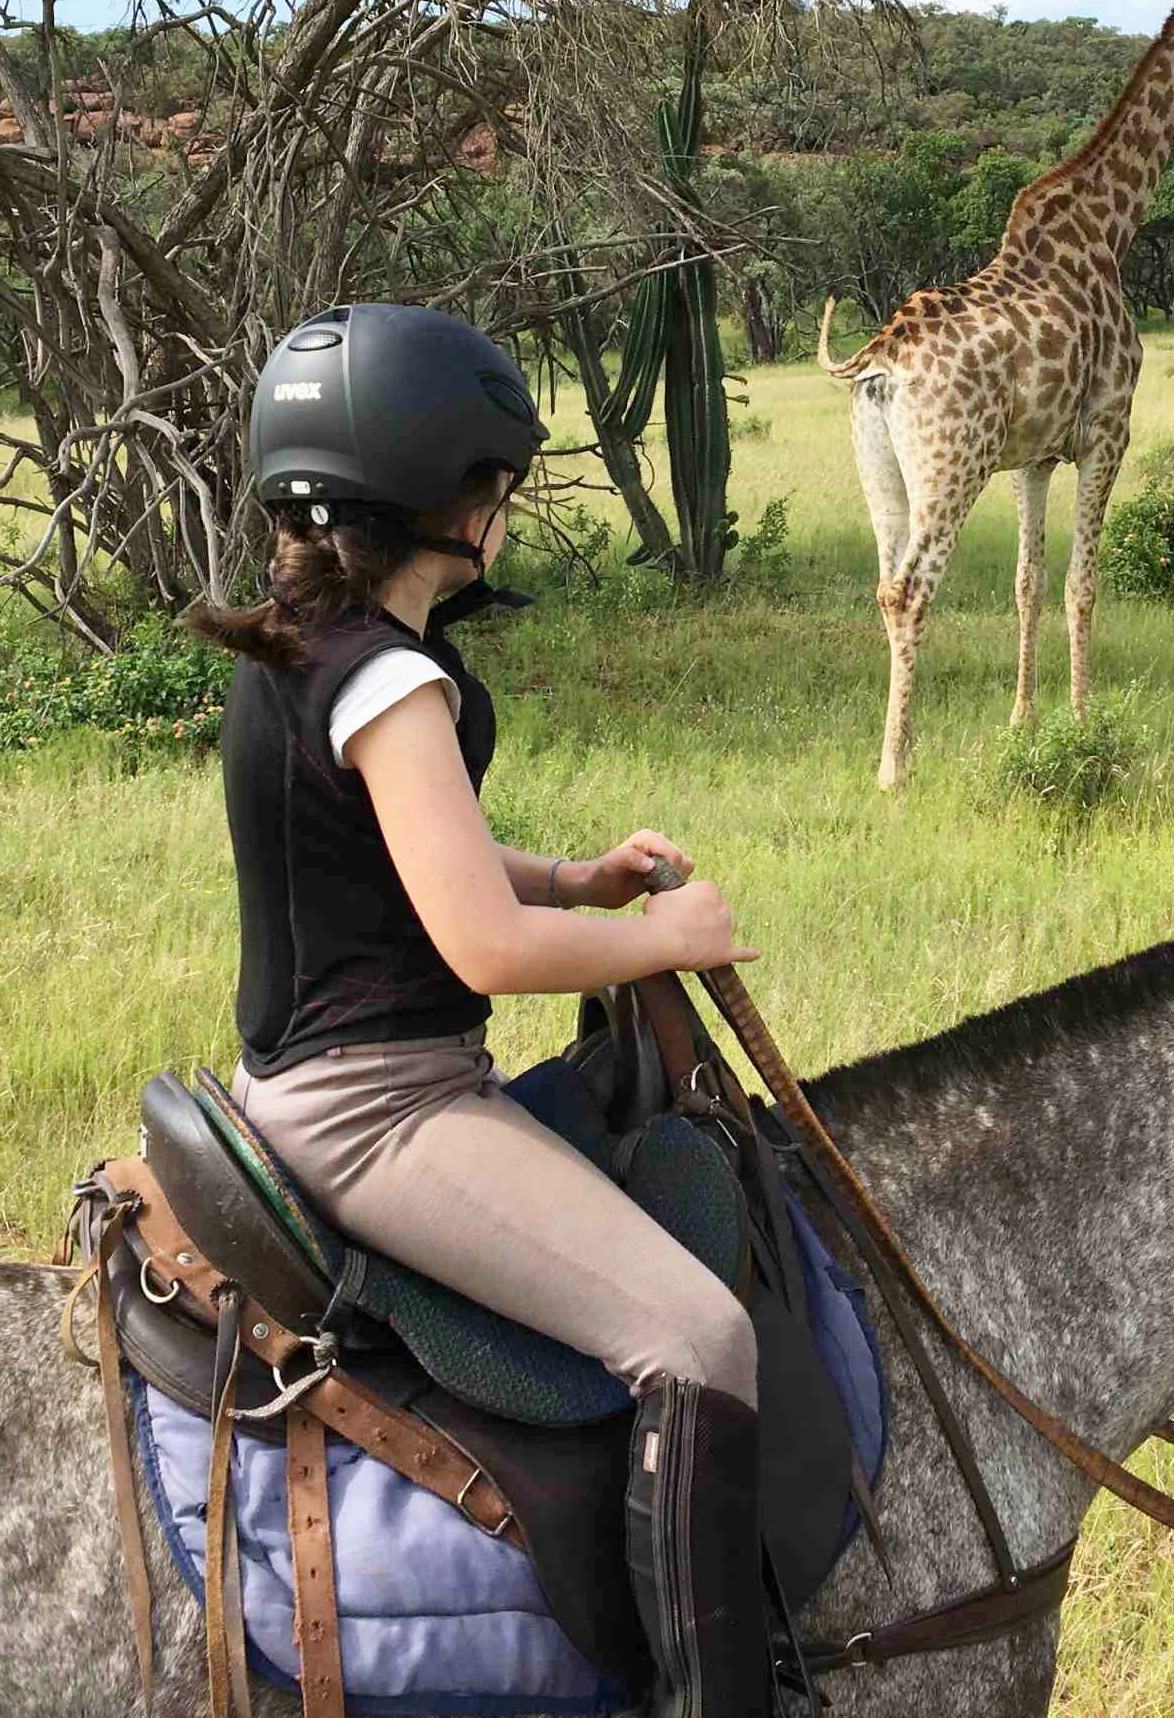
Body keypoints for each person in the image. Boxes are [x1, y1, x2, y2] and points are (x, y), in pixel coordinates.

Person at [192, 302, 771, 1718]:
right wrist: (657, 939)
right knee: (703, 1341)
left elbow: (418, 850)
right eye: (498, 486)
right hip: (384, 1113)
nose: (502, 514)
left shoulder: (297, 651)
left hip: (307, 1087)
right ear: (453, 500)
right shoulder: (392, 682)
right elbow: (485, 941)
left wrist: (577, 872)